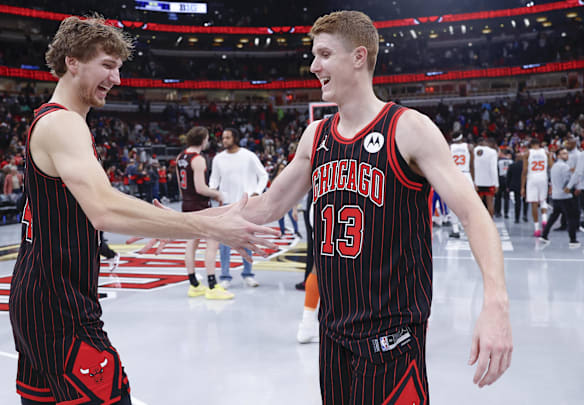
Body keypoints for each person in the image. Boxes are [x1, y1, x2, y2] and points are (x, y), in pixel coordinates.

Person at [163, 10, 512, 402]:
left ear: (358, 57)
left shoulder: (408, 128)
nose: (314, 67)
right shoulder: (315, 136)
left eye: (325, 55)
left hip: (391, 339)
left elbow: (473, 215)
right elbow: (265, 207)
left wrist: (496, 303)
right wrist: (175, 224)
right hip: (333, 336)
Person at [8, 15, 276, 405]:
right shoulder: (64, 124)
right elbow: (104, 209)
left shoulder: (53, 122)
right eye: (107, 65)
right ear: (72, 62)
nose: (116, 78)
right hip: (60, 307)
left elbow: (81, 211)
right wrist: (212, 229)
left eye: (119, 68)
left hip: (41, 300)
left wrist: (215, 216)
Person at [175, 126, 232, 299]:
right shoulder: (197, 159)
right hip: (200, 206)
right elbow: (200, 188)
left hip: (186, 204)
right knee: (212, 242)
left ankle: (193, 284)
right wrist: (217, 193)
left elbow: (180, 186)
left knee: (191, 243)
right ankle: (212, 286)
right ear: (202, 140)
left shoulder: (180, 157)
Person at [209, 127, 269, 288]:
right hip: (226, 205)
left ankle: (248, 274)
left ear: (235, 138)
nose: (224, 141)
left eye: (227, 137)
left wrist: (257, 192)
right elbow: (213, 180)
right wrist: (214, 192)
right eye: (223, 138)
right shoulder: (218, 159)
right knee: (224, 242)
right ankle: (225, 276)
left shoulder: (248, 156)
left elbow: (263, 175)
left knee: (246, 239)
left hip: (245, 205)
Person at [539, 148, 580, 247]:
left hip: (556, 196)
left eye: (566, 153)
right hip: (565, 196)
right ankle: (573, 240)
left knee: (554, 216)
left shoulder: (554, 166)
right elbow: (567, 180)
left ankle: (544, 235)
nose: (566, 155)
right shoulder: (565, 167)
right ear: (558, 156)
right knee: (571, 217)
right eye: (563, 154)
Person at [522, 138, 552, 236]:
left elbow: (524, 170)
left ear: (530, 145)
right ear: (539, 144)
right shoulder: (546, 152)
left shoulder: (527, 153)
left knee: (534, 203)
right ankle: (544, 219)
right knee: (543, 200)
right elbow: (551, 166)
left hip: (532, 178)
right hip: (543, 178)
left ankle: (536, 229)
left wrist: (522, 186)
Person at [449, 133, 474, 237]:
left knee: (453, 204)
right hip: (466, 175)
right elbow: (472, 165)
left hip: (454, 175)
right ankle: (470, 228)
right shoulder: (469, 147)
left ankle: (455, 228)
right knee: (469, 203)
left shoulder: (449, 147)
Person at [473, 138, 498, 217]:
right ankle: (490, 224)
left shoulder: (473, 151)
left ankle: (478, 223)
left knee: (477, 205)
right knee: (490, 203)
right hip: (489, 182)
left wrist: (473, 182)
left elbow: (472, 166)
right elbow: (493, 169)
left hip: (477, 182)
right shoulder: (492, 152)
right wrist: (496, 184)